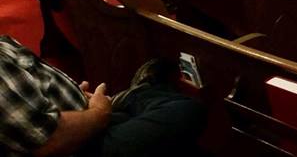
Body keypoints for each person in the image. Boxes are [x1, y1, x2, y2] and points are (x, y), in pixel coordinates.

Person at [0, 35, 205, 156]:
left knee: (155, 108)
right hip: (76, 147)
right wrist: (99, 112)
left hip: (79, 126)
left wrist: (72, 92)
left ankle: (139, 94)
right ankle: (138, 95)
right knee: (186, 110)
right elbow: (49, 139)